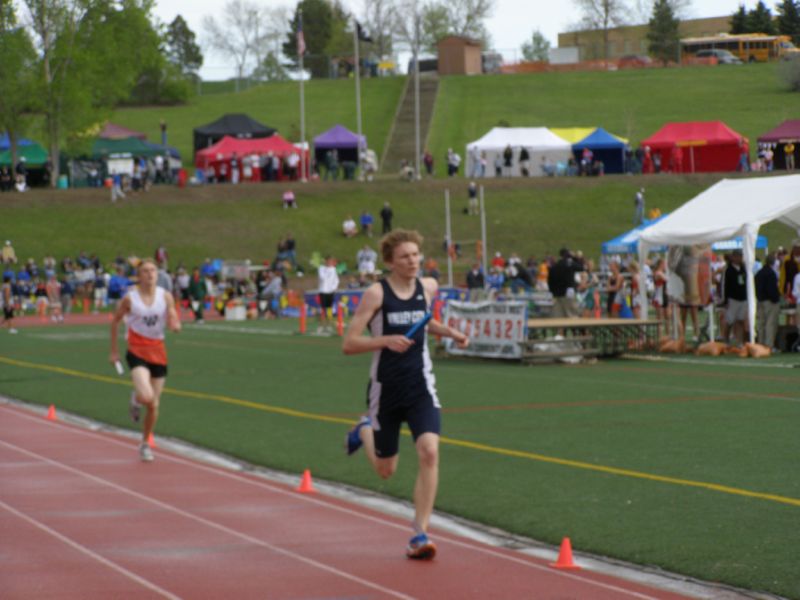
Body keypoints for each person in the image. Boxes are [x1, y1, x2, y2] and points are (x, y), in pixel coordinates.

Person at [342, 229, 469, 560]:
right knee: (386, 470)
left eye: (415, 255)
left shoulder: (427, 288)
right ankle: (364, 429)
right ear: (390, 262)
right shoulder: (376, 294)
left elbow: (425, 322)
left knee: (429, 452)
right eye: (404, 257)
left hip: (420, 387)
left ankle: (420, 532)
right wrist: (385, 341)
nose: (413, 261)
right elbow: (349, 343)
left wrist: (450, 331)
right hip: (385, 391)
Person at [110, 259, 181, 462]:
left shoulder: (165, 296)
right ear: (139, 276)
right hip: (137, 351)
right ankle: (137, 397)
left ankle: (145, 443)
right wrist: (113, 352)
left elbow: (173, 314)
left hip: (158, 352)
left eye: (153, 270)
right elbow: (115, 322)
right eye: (145, 271)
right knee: (147, 396)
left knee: (153, 405)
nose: (150, 274)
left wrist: (175, 323)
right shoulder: (130, 299)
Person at [722, 249, 748, 345]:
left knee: (741, 320)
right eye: (737, 256)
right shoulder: (728, 270)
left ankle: (739, 341)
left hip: (743, 298)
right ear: (733, 257)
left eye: (740, 256)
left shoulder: (743, 268)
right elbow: (725, 285)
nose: (739, 258)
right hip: (732, 298)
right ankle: (726, 340)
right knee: (730, 321)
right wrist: (725, 300)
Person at [755, 253, 780, 349]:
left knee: (761, 323)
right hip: (770, 301)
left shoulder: (759, 273)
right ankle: (769, 344)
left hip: (760, 300)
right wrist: (775, 299)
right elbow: (771, 289)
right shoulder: (771, 273)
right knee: (770, 323)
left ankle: (760, 342)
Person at [317, 255, 339, 334]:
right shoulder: (321, 268)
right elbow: (322, 278)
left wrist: (334, 287)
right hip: (323, 290)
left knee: (330, 309)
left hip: (331, 291)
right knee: (323, 309)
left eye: (331, 261)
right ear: (326, 261)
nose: (330, 262)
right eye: (329, 261)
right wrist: (328, 272)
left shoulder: (333, 269)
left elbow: (336, 280)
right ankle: (321, 326)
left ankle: (328, 325)